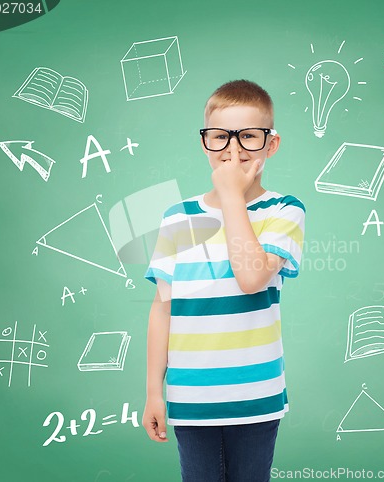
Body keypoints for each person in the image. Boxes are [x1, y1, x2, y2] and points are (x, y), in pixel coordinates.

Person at [142, 79, 306, 482]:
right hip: (191, 397)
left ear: (271, 144)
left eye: (248, 136)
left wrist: (232, 197)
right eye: (220, 137)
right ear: (205, 143)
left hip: (255, 396)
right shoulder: (177, 217)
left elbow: (251, 277)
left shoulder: (284, 210)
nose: (233, 149)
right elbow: (163, 308)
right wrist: (152, 392)